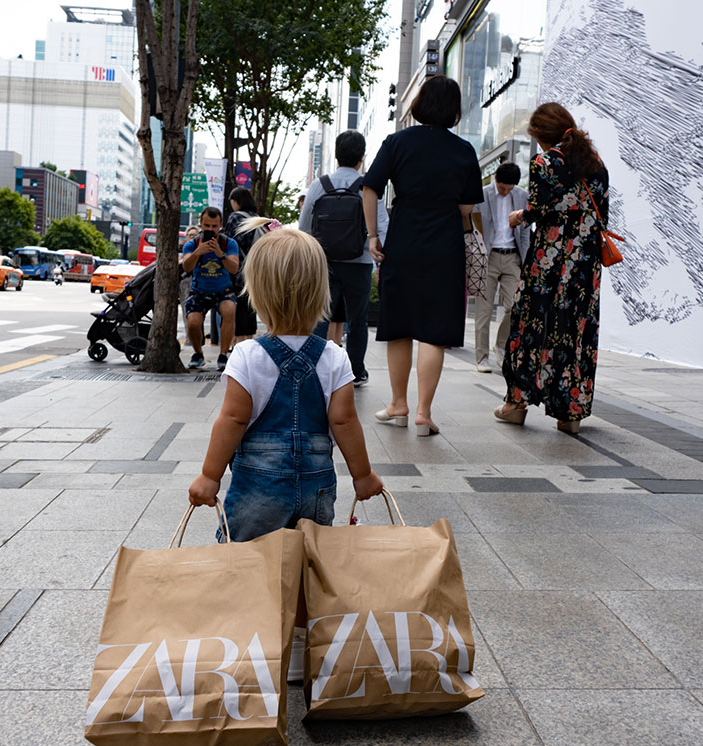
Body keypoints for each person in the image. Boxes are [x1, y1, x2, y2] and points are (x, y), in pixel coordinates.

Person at [189, 226, 384, 540]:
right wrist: (363, 476)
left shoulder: (246, 355)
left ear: (256, 292)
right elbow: (344, 421)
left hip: (258, 489)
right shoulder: (335, 357)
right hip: (316, 489)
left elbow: (233, 419)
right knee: (310, 561)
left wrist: (209, 477)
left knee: (248, 564)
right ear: (322, 291)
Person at [363, 76, 483, 436]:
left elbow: (370, 187)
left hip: (403, 238)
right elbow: (466, 207)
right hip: (444, 243)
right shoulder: (464, 151)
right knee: (433, 331)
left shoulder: (397, 142)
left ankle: (398, 404)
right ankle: (423, 414)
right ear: (454, 109)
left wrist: (372, 236)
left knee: (399, 324)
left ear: (419, 104)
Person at [494, 103, 609, 435]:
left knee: (531, 327)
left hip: (549, 262)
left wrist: (519, 217)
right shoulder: (597, 165)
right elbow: (602, 215)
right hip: (585, 266)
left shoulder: (545, 162)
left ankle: (516, 404)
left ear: (542, 136)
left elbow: (538, 209)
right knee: (576, 332)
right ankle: (570, 412)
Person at [299, 129, 388, 387]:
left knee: (320, 316)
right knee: (358, 319)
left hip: (324, 263)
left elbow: (304, 228)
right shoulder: (366, 187)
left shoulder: (319, 185)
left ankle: (313, 367)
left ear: (337, 155)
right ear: (362, 157)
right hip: (359, 263)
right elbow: (382, 225)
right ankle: (356, 371)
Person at [474, 162, 530, 373]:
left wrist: (525, 262)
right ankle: (482, 357)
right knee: (483, 311)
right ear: (495, 178)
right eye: (502, 187)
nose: (505, 192)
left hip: (512, 257)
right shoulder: (481, 195)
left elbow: (524, 231)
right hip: (487, 257)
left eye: (509, 188)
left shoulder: (521, 195)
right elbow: (475, 227)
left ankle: (501, 346)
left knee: (516, 306)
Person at [180, 206, 241, 370]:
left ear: (220, 224)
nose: (210, 230)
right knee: (193, 322)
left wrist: (221, 254)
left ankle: (223, 356)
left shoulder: (228, 243)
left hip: (224, 291)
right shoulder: (192, 244)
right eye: (207, 226)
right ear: (200, 223)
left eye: (214, 226)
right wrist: (198, 252)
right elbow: (186, 267)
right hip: (199, 292)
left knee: (229, 310)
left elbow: (234, 268)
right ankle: (198, 353)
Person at [223, 186, 267, 344]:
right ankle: (249, 342)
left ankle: (239, 345)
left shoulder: (235, 217)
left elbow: (228, 243)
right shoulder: (257, 218)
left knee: (238, 309)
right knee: (250, 309)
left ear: (236, 202)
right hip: (254, 271)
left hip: (238, 272)